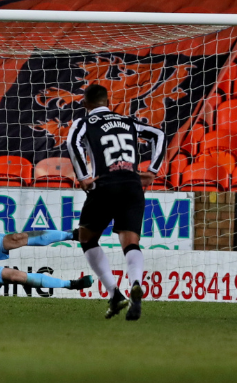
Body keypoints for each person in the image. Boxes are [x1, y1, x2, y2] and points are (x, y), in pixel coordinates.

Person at [67, 84, 166, 320]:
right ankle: (135, 282)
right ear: (107, 101)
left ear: (85, 104)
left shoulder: (84, 122)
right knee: (131, 242)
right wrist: (152, 171)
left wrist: (83, 177)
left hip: (106, 184)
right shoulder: (128, 121)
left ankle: (114, 293)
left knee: (87, 237)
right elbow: (159, 135)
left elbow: (73, 143)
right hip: (132, 185)